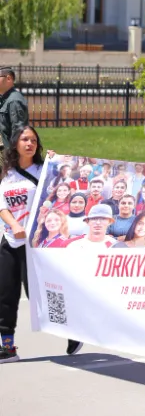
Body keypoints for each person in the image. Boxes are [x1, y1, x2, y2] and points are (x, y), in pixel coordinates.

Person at [0, 125, 44, 362]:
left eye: (34, 140)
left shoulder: (44, 170)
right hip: (10, 240)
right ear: (15, 143)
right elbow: (1, 205)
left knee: (39, 294)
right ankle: (8, 348)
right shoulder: (6, 173)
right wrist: (14, 226)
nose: (29, 144)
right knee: (6, 294)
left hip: (36, 244)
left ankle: (72, 333)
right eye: (25, 139)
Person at [0, 67, 28, 150]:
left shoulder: (14, 100)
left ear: (8, 78)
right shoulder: (5, 99)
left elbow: (18, 131)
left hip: (8, 152)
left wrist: (12, 155)